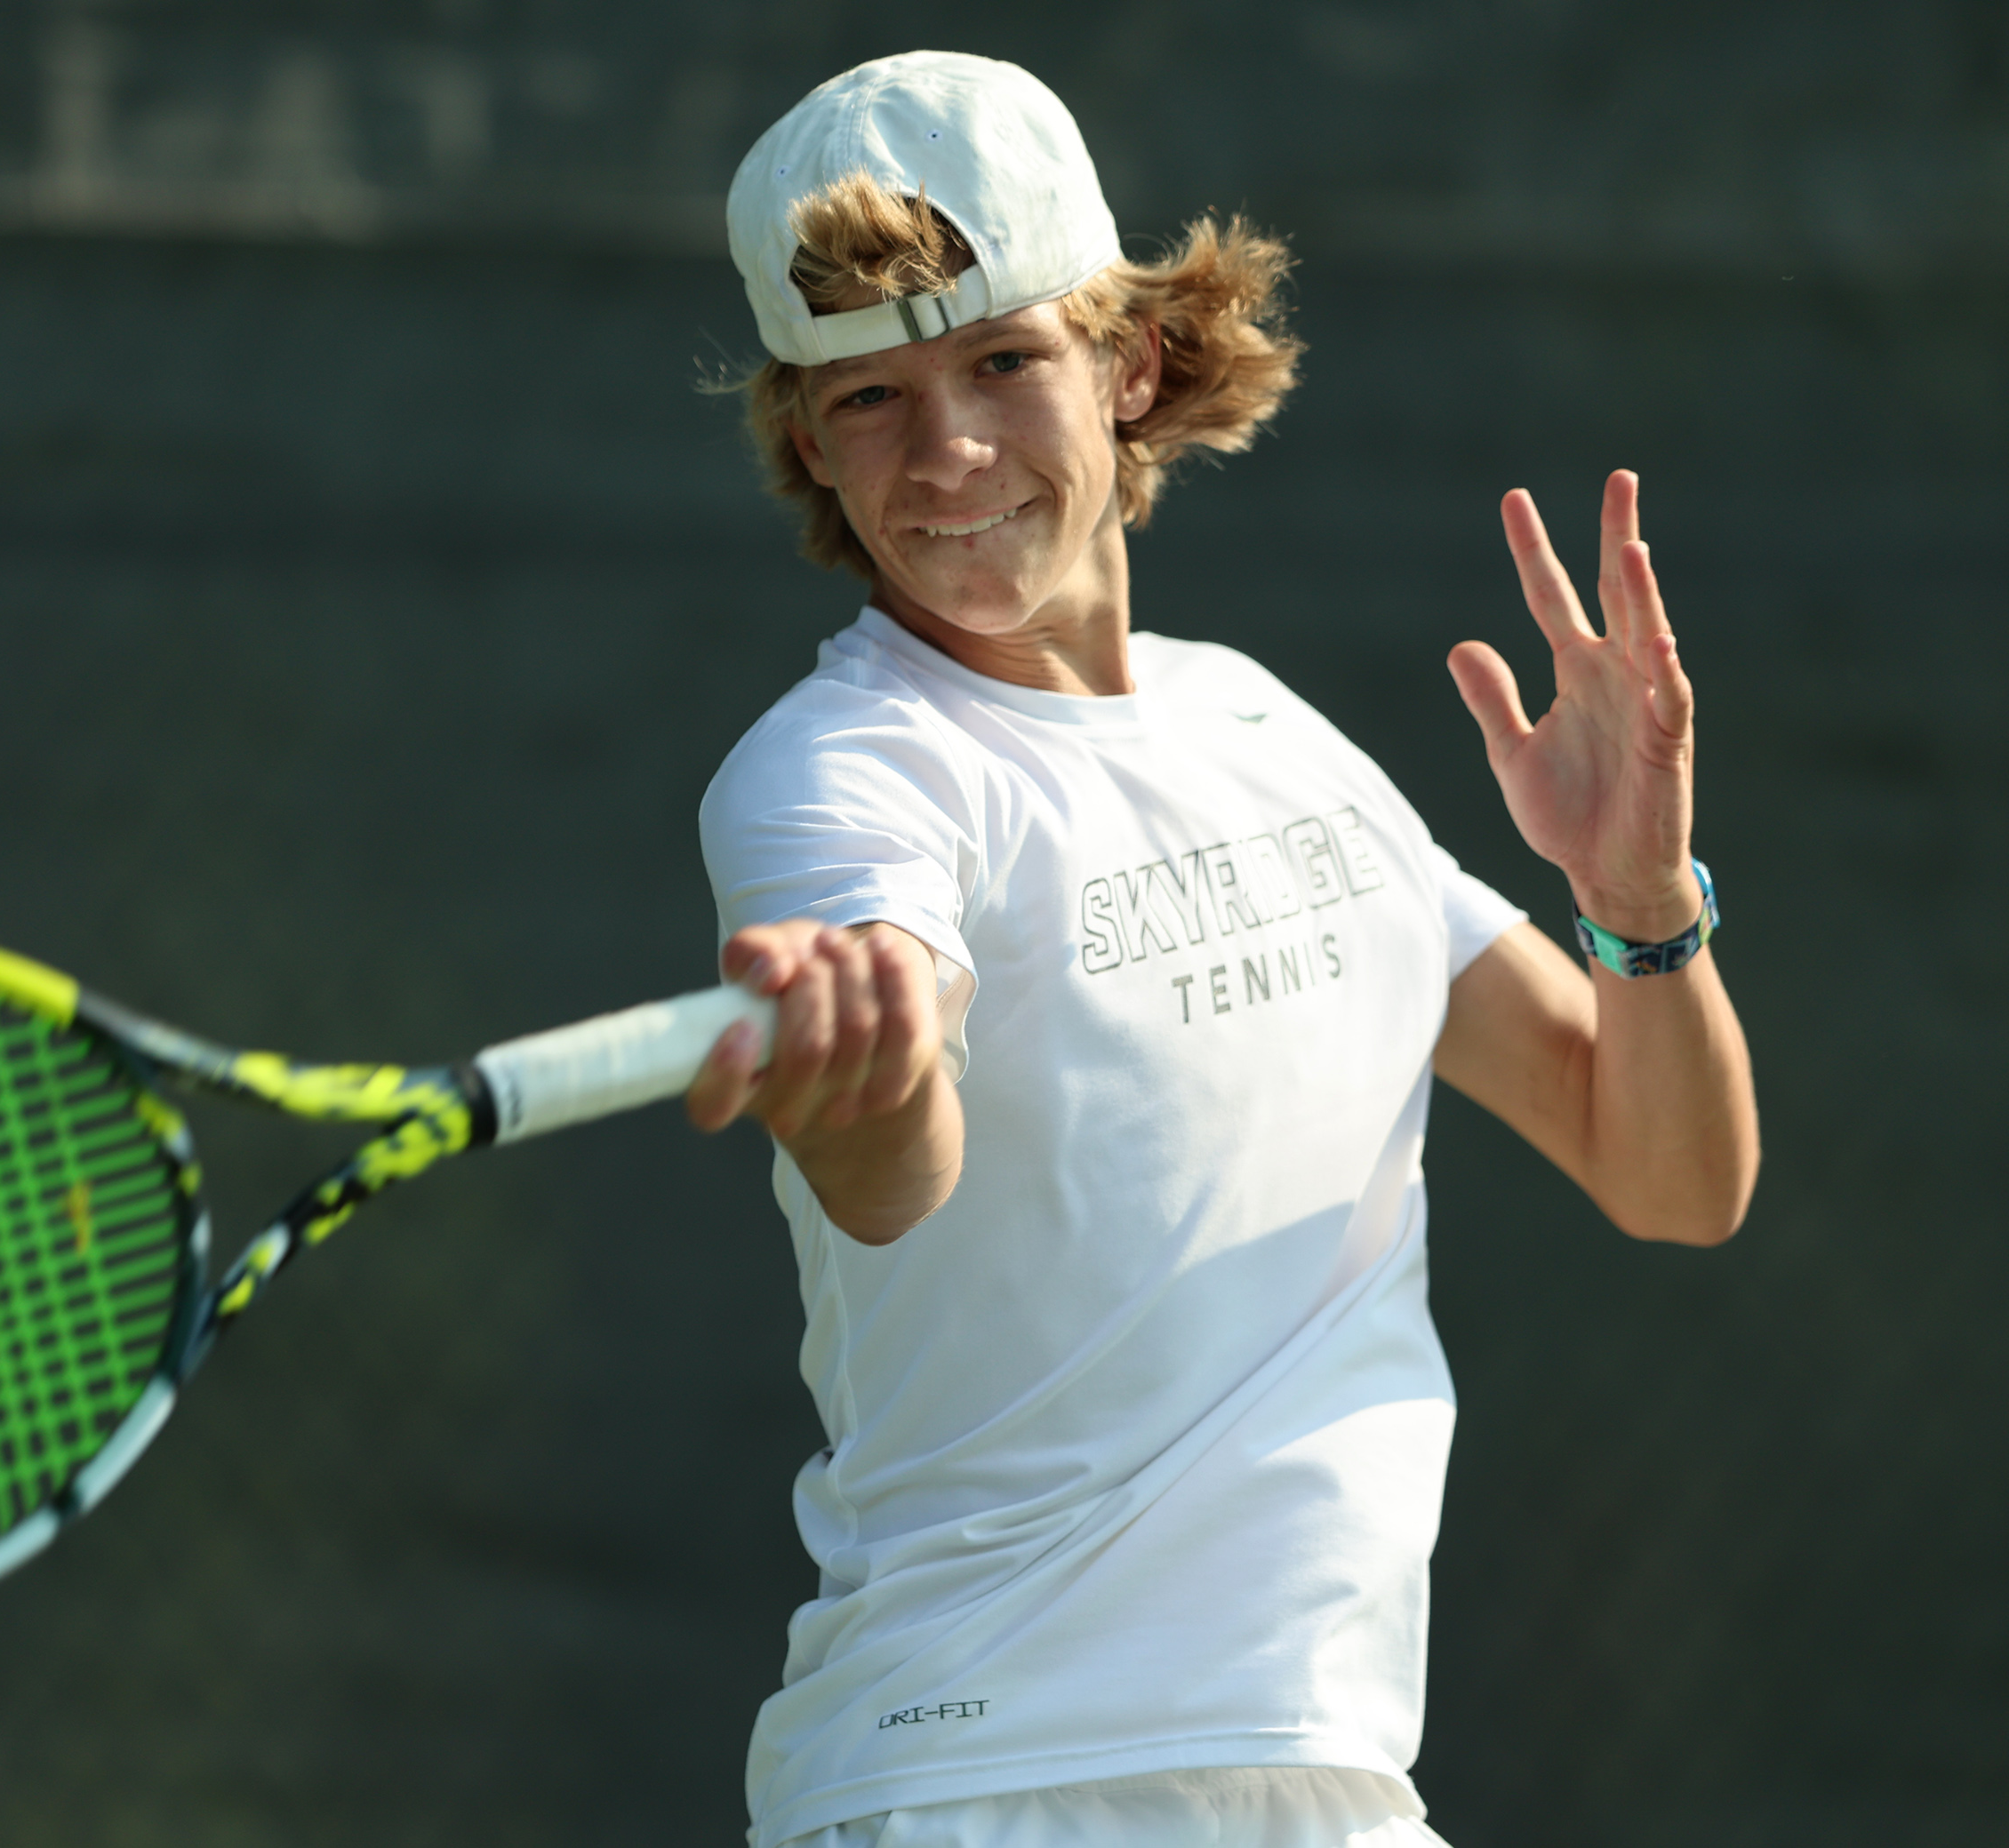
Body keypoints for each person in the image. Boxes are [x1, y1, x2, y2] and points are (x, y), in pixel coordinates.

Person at [680, 50, 1758, 1848]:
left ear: (1130, 364)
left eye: (1001, 361)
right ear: (808, 440)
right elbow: (895, 1166)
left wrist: (1642, 906)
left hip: (1333, 1781)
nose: (945, 451)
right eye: (868, 399)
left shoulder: (1263, 729)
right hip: (985, 1780)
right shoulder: (837, 774)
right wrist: (866, 1066)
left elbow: (1667, 1171)